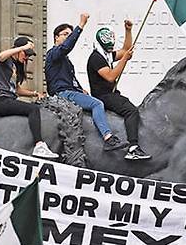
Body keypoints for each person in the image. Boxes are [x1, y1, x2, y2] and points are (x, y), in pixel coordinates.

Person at [45, 13, 128, 151]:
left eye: (69, 34)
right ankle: (108, 137)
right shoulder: (53, 53)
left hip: (70, 91)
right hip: (63, 94)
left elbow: (71, 79)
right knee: (97, 104)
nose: (68, 37)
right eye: (65, 34)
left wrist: (81, 89)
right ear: (56, 37)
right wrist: (81, 25)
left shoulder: (65, 60)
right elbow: (66, 47)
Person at [87, 22, 151, 161]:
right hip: (103, 96)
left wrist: (128, 30)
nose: (112, 50)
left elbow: (126, 49)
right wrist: (124, 60)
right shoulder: (96, 58)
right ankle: (133, 147)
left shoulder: (106, 55)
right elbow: (110, 76)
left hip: (112, 93)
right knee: (131, 110)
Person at [0, 37, 58, 159]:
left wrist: (35, 93)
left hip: (8, 99)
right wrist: (23, 48)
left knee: (35, 107)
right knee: (33, 110)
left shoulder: (15, 67)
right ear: (17, 50)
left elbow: (17, 90)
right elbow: (1, 55)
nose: (26, 58)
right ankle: (39, 145)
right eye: (26, 54)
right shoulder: (5, 61)